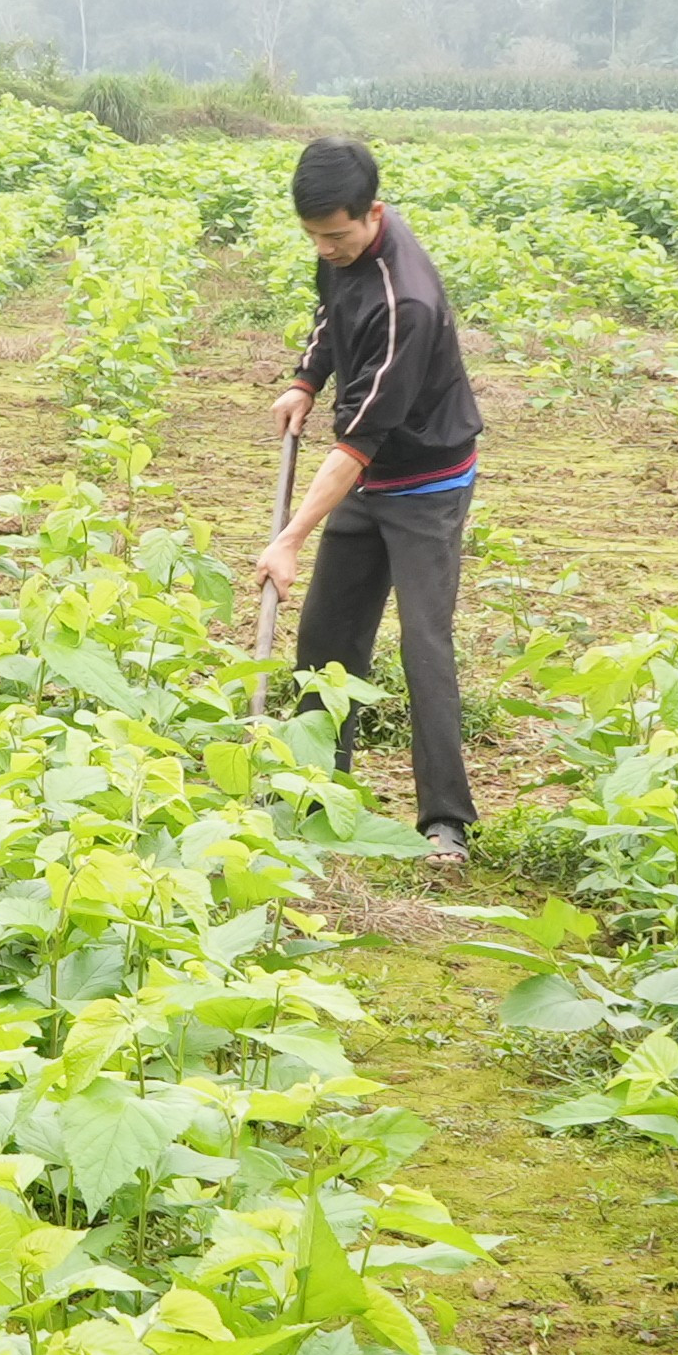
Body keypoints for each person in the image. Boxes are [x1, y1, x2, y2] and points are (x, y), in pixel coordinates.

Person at [246, 133, 483, 858]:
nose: (325, 248)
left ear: (372, 213)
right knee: (326, 638)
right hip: (367, 468)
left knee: (423, 643)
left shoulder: (405, 300)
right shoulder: (340, 250)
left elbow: (356, 447)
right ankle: (320, 788)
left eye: (336, 235)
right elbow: (331, 317)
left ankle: (446, 820)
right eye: (313, 236)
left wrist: (289, 538)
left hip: (424, 481)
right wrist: (304, 379)